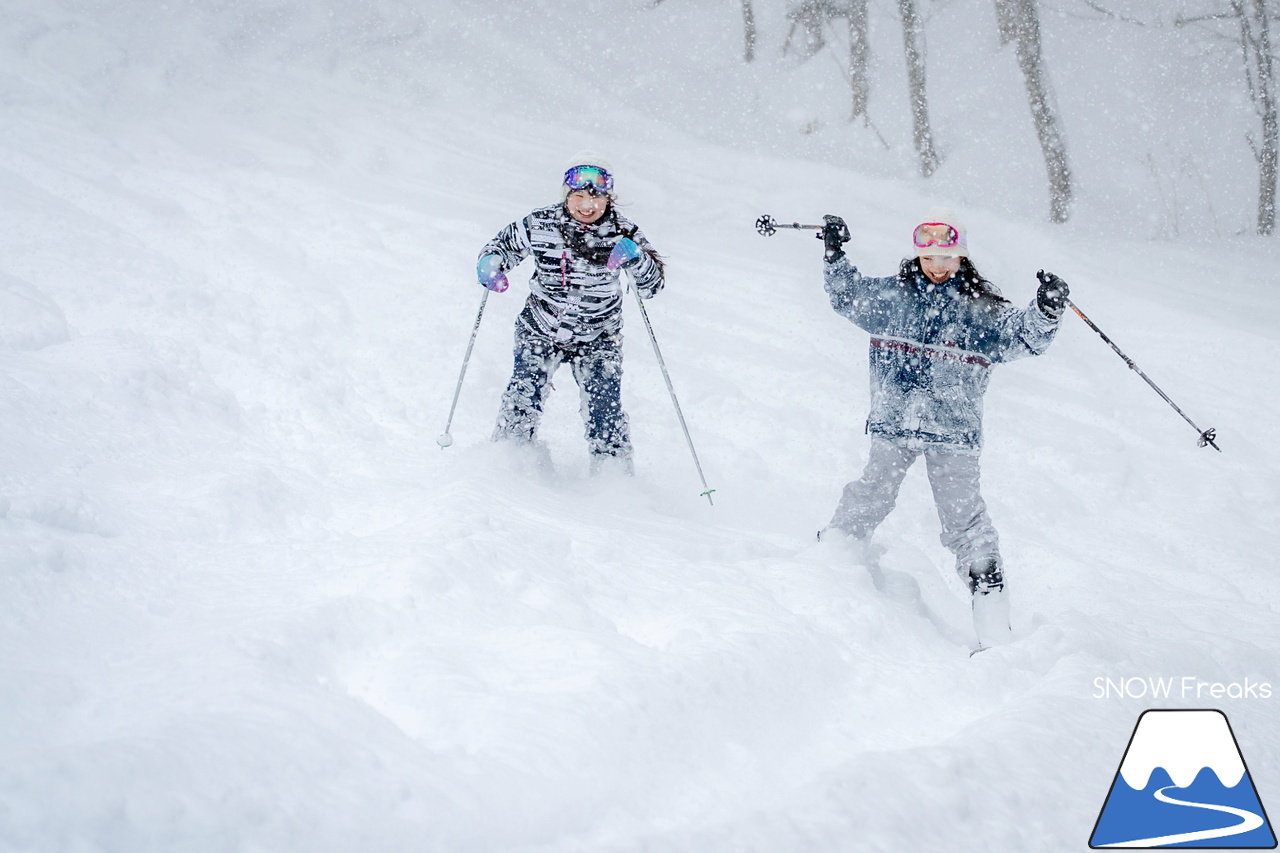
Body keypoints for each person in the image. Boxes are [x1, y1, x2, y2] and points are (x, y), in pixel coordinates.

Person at [817, 206, 1069, 633]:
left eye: (947, 257)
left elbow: (1022, 335)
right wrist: (834, 255)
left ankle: (992, 623)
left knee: (964, 521)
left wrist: (1046, 311)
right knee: (871, 493)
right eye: (929, 258)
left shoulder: (980, 312)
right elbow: (847, 296)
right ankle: (828, 568)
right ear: (917, 257)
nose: (937, 266)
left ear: (962, 258)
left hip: (952, 432)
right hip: (895, 422)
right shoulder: (891, 299)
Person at [476, 152, 665, 474]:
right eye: (578, 197)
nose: (587, 206)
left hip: (599, 336)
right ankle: (507, 464)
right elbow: (501, 247)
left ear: (608, 199)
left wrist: (637, 259)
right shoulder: (539, 224)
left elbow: (652, 285)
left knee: (605, 407)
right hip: (540, 328)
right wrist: (490, 264)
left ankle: (613, 476)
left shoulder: (624, 232)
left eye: (596, 198)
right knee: (523, 395)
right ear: (567, 196)